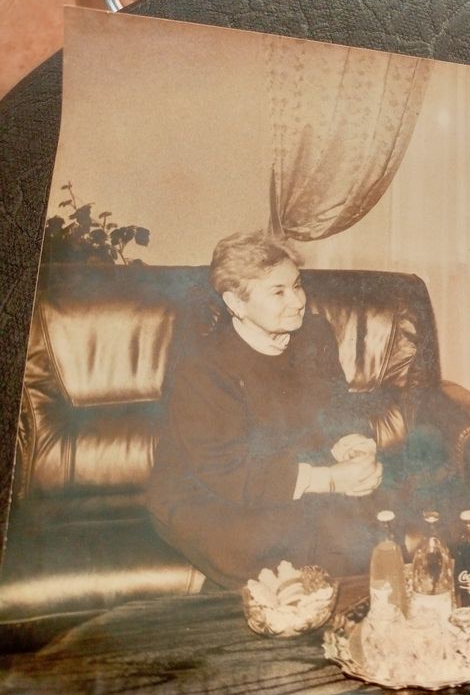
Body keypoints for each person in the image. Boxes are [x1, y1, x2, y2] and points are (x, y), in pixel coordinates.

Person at [148, 231, 390, 588]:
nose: (297, 301)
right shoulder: (204, 367)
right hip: (210, 493)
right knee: (285, 544)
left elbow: (337, 405)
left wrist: (353, 445)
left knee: (362, 525)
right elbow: (225, 470)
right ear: (236, 303)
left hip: (288, 475)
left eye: (297, 285)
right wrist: (330, 479)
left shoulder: (314, 333)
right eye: (278, 292)